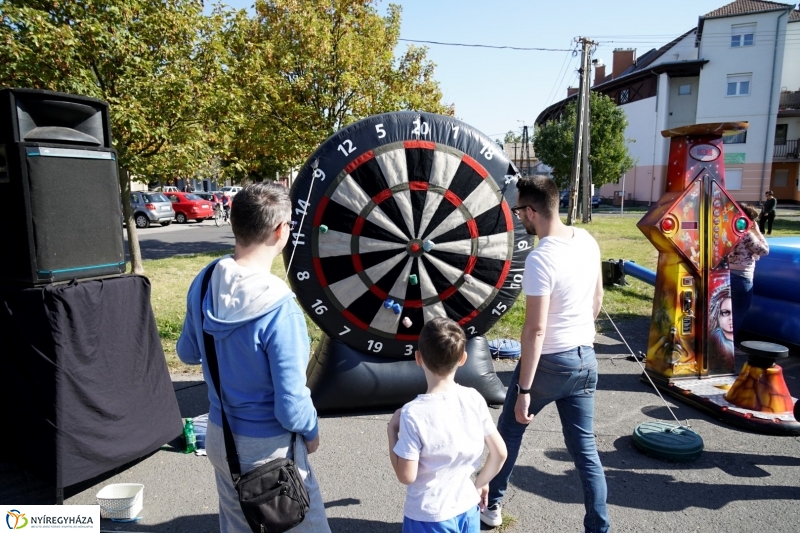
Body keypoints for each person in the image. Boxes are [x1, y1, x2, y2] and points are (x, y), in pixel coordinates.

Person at [176, 182, 330, 533]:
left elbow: (187, 352)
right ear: (280, 231)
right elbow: (290, 405)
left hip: (220, 437)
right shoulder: (281, 309)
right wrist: (312, 430)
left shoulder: (204, 280)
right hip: (269, 454)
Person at [481, 176, 609, 533]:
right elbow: (597, 299)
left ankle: (491, 506)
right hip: (586, 359)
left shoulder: (540, 259)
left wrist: (524, 391)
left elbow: (535, 330)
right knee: (586, 453)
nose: (519, 215)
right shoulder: (586, 239)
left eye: (519, 209)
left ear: (533, 211)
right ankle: (599, 528)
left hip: (549, 363)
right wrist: (580, 332)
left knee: (508, 433)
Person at [388, 317, 507, 533]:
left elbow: (406, 476)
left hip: (428, 515)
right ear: (463, 358)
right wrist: (480, 482)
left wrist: (391, 433)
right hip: (468, 506)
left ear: (418, 358)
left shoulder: (413, 413)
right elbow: (500, 453)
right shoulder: (474, 398)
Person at [728, 204, 769, 340]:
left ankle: (719, 343)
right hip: (741, 278)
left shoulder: (726, 231)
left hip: (725, 275)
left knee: (724, 312)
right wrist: (758, 232)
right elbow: (764, 251)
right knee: (738, 312)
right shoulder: (747, 235)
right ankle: (730, 345)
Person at [707, 285, 734, 374]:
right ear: (717, 315)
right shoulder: (716, 338)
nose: (731, 318)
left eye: (733, 312)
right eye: (725, 313)